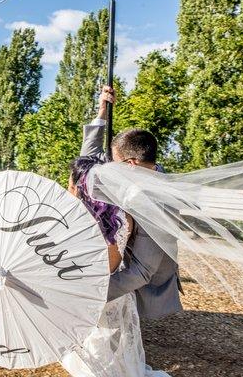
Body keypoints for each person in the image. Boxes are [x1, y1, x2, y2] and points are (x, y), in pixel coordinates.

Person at [61, 156, 169, 377]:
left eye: (70, 184)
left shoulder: (76, 221)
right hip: (117, 289)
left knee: (94, 347)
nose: (67, 188)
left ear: (80, 185)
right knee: (117, 346)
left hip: (87, 289)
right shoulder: (123, 215)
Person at [81, 85, 182, 319]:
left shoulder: (160, 203)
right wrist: (102, 112)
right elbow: (88, 161)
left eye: (114, 163)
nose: (109, 167)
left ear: (131, 164)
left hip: (130, 280)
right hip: (111, 264)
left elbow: (141, 271)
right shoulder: (130, 171)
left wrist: (88, 294)